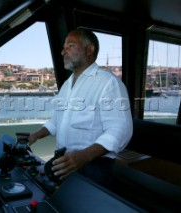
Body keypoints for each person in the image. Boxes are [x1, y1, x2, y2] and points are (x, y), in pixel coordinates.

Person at [28, 28, 133, 189]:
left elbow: (120, 130)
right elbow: (56, 121)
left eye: (70, 45)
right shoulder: (67, 85)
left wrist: (82, 157)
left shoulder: (108, 83)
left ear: (89, 49)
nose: (63, 52)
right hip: (66, 164)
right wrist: (35, 136)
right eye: (64, 47)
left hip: (94, 168)